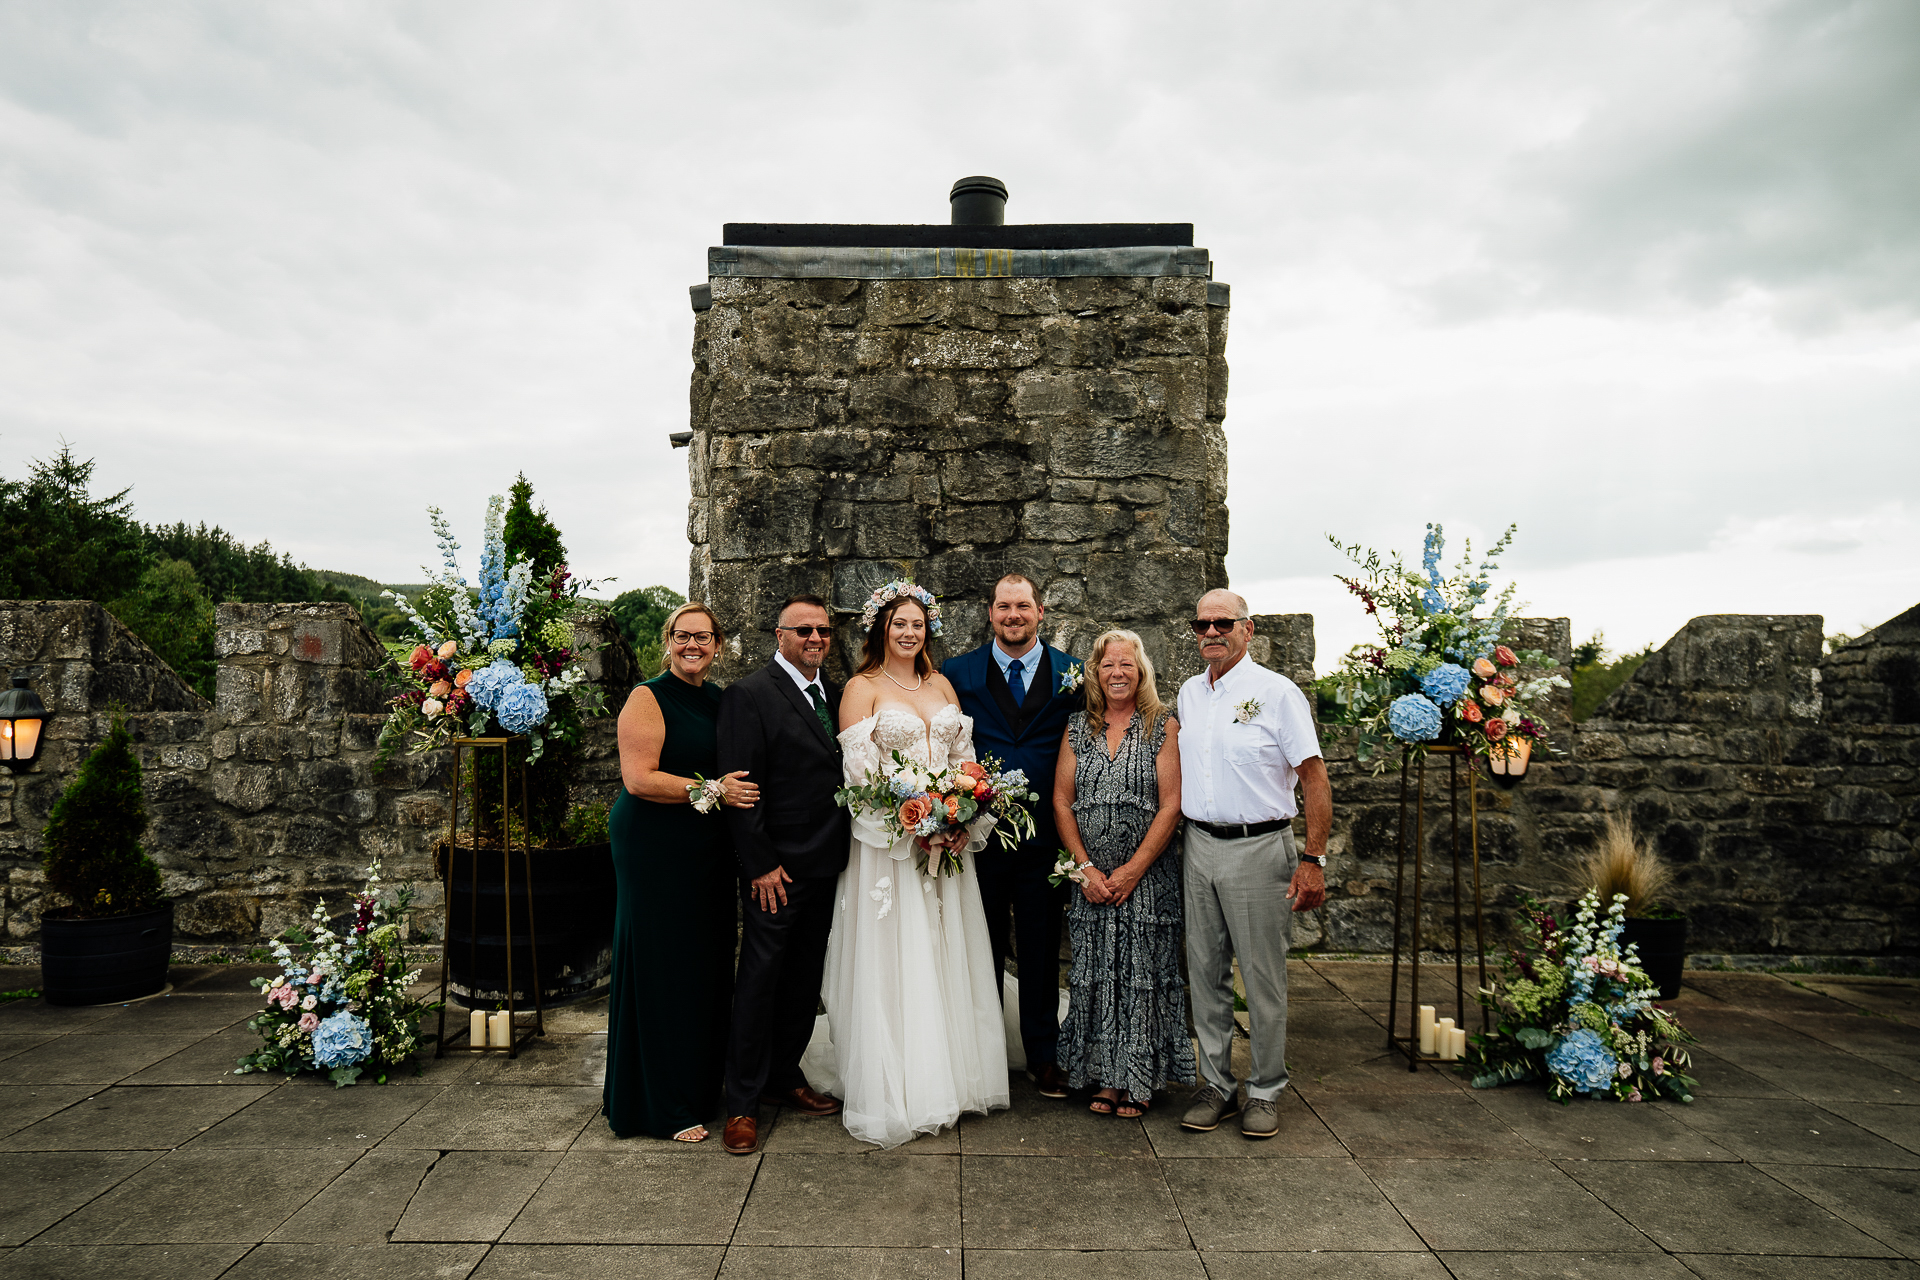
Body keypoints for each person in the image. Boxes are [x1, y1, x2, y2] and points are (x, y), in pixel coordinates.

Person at [823, 581, 1009, 1148]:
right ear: (880, 627)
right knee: (899, 956)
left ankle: (954, 1076)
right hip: (892, 849)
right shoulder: (861, 688)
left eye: (918, 623)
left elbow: (965, 762)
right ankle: (901, 1085)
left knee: (947, 950)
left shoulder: (942, 683)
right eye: (899, 623)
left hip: (946, 842)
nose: (909, 632)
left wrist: (960, 820)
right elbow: (859, 776)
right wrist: (914, 827)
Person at [1176, 589, 1331, 1139]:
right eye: (1201, 624)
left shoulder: (1277, 693)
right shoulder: (1190, 694)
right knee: (1205, 972)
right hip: (1198, 846)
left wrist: (1312, 858)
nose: (1211, 632)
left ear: (1248, 628)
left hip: (1260, 846)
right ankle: (1216, 1083)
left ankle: (1265, 1088)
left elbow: (1313, 777)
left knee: (1262, 977)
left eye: (1223, 622)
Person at [603, 603, 758, 1143]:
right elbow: (639, 779)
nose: (694, 645)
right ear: (668, 641)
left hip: (705, 847)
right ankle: (659, 1105)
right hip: (653, 844)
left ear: (718, 644)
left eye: (704, 636)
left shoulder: (719, 699)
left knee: (705, 965)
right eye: (683, 636)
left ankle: (697, 1087)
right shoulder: (647, 696)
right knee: (661, 967)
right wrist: (714, 789)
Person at [715, 595, 852, 1155]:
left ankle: (783, 1077)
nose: (816, 638)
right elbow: (740, 790)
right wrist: (761, 862)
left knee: (802, 979)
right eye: (804, 630)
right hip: (777, 869)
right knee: (760, 980)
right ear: (780, 635)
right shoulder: (749, 695)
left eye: (823, 629)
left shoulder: (835, 694)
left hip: (826, 864)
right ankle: (742, 1104)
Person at [941, 573, 1083, 1098]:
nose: (1013, 615)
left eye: (1023, 606)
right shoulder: (958, 672)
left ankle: (1042, 1057)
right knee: (982, 946)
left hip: (1047, 836)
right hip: (979, 835)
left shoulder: (1073, 673)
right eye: (1004, 606)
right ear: (991, 612)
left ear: (1040, 611)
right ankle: (982, 1054)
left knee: (1044, 948)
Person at [1054, 629, 1195, 1117]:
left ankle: (1138, 1079)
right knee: (1095, 973)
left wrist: (1133, 870)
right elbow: (1061, 800)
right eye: (1107, 665)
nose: (1117, 673)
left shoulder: (1162, 724)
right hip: (1091, 883)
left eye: (1126, 665)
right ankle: (1102, 1077)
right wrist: (1086, 868)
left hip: (1147, 879)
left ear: (1141, 671)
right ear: (1095, 672)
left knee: (1141, 976)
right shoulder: (1077, 727)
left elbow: (1172, 804)